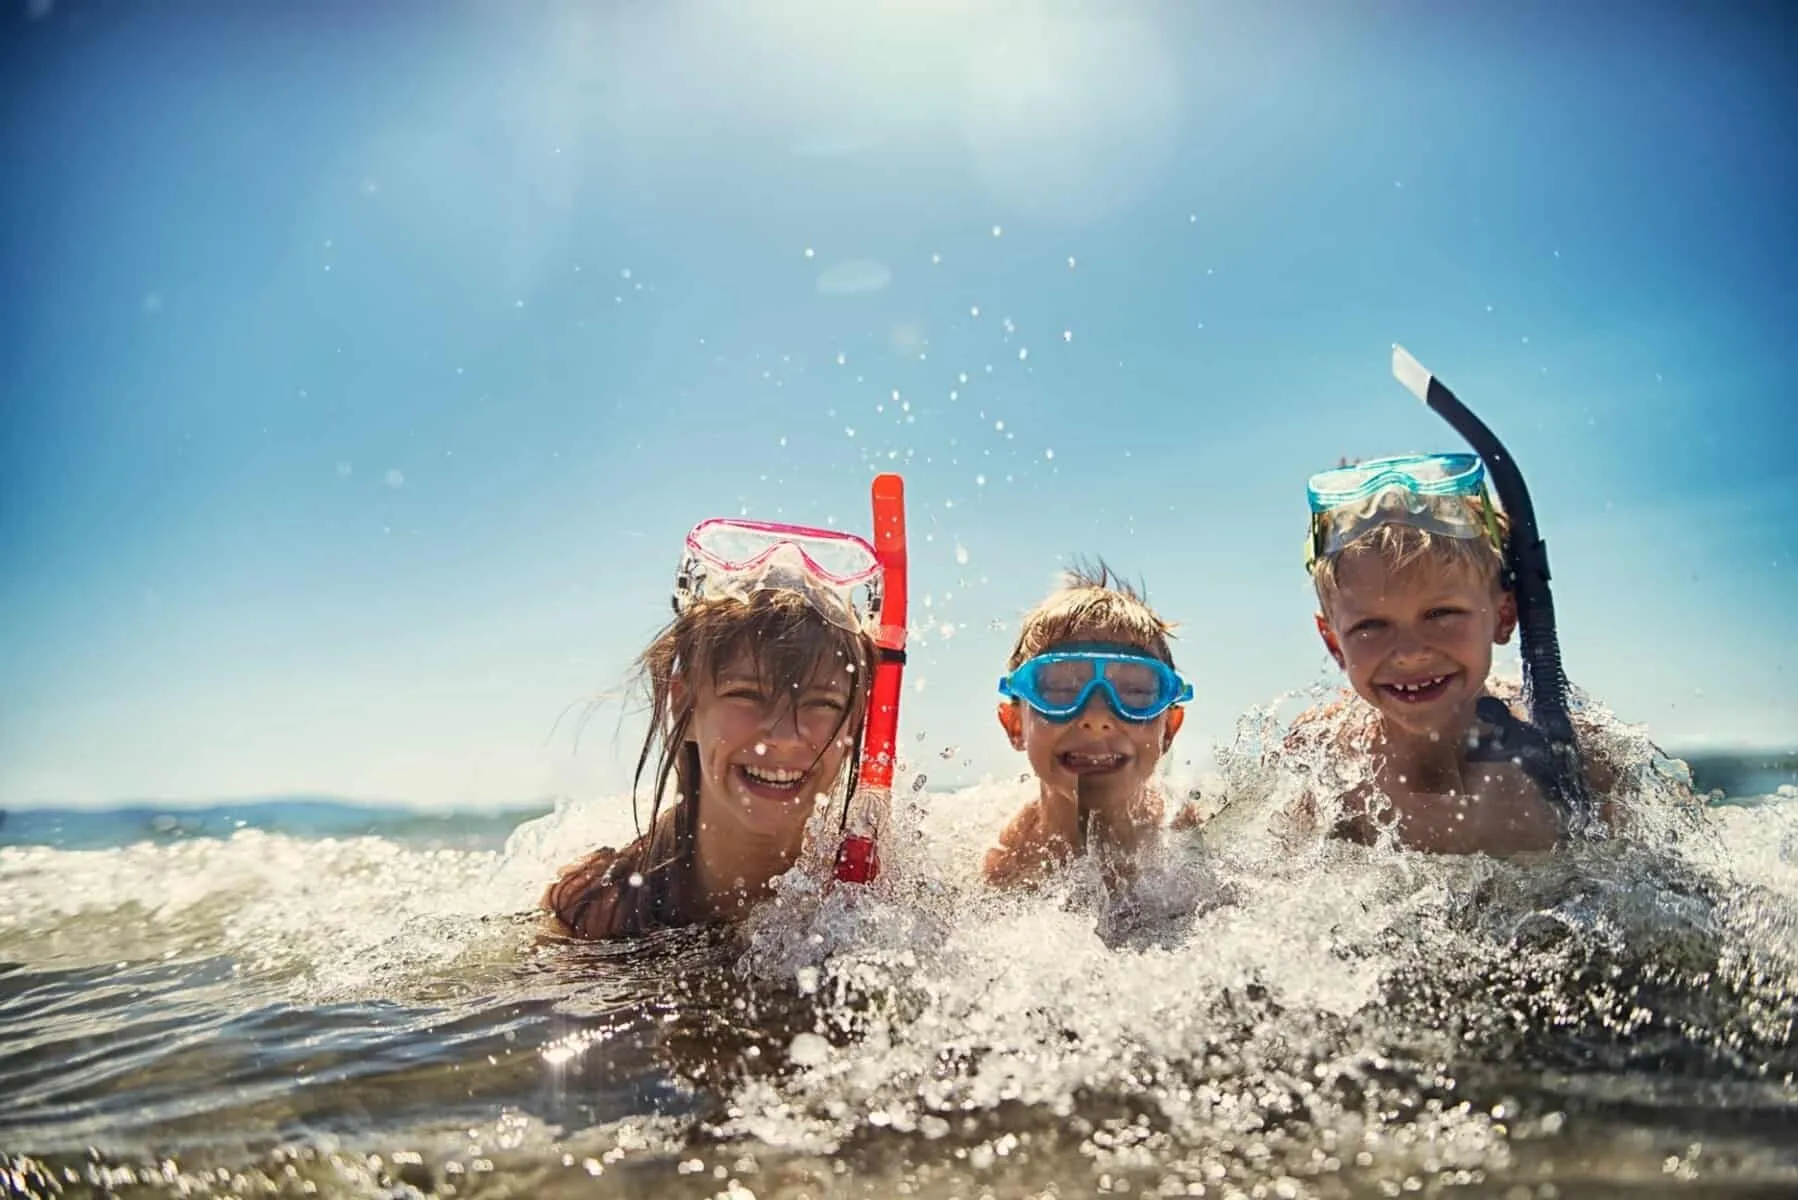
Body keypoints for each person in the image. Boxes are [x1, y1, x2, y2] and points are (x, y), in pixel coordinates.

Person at [542, 518, 880, 939]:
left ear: (854, 721)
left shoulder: (887, 901)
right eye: (747, 695)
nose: (784, 736)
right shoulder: (595, 911)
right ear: (682, 701)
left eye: (822, 703)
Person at [1280, 452, 1617, 854]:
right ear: (1334, 643)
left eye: (1441, 614)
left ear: (1504, 615)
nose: (1408, 653)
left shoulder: (1574, 758)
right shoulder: (1323, 759)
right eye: (1370, 626)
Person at [982, 562, 1193, 888]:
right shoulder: (1002, 868)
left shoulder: (1193, 838)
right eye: (1061, 689)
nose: (1097, 718)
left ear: (1170, 729)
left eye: (1135, 691)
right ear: (1015, 725)